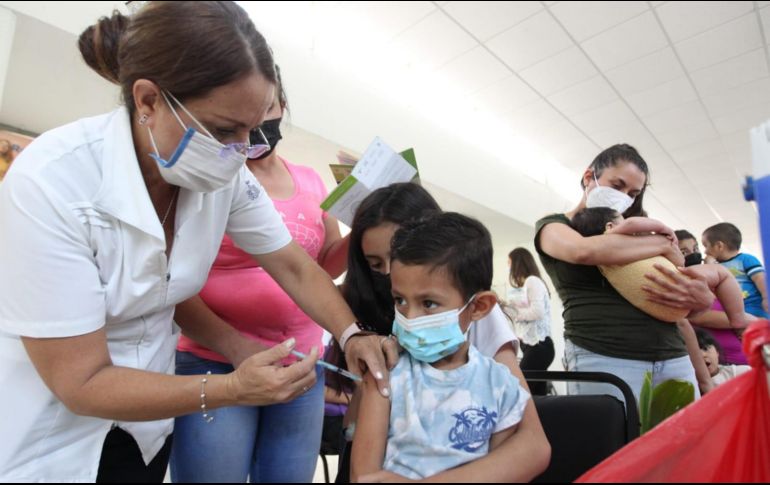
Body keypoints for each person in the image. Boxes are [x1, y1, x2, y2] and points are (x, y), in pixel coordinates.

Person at [0, 3, 391, 481]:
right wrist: (230, 388)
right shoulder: (53, 181)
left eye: (252, 131)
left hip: (146, 427)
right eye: (225, 130)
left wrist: (351, 334)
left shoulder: (219, 177)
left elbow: (293, 264)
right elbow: (80, 382)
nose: (241, 152)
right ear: (147, 101)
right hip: (53, 440)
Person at [169, 65, 350, 482]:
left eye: (266, 107)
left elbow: (317, 266)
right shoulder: (216, 175)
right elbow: (177, 277)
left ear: (281, 107)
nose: (256, 122)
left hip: (302, 361)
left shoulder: (309, 181)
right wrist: (235, 347)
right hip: (217, 359)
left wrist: (364, 236)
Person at [337, 182, 550, 482]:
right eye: (375, 264)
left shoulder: (497, 380)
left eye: (428, 303)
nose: (409, 316)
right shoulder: (386, 373)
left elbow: (528, 449)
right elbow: (364, 472)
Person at [535, 144, 715, 404]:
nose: (624, 197)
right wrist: (663, 243)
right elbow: (582, 251)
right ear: (589, 177)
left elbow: (679, 279)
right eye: (617, 185)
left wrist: (700, 301)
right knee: (614, 442)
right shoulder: (554, 226)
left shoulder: (636, 231)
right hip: (603, 353)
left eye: (633, 193)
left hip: (672, 353)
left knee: (686, 443)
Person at [570, 207, 745, 329]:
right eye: (621, 219)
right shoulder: (614, 235)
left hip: (662, 310)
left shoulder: (601, 263)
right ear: (610, 226)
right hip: (677, 288)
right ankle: (738, 320)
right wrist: (662, 227)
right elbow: (632, 224)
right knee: (722, 274)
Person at [677, 228, 752, 366]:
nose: (694, 254)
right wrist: (756, 321)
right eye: (684, 251)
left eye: (695, 248)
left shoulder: (716, 281)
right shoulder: (680, 285)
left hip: (745, 360)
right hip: (720, 364)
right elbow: (702, 317)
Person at [504, 248, 554, 396]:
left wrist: (515, 315)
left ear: (517, 263)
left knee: (520, 390)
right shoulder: (525, 285)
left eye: (509, 263)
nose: (508, 267)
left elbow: (537, 312)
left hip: (539, 346)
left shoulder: (532, 281)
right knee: (537, 396)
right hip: (531, 347)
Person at [702, 222, 769, 319]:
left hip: (753, 306)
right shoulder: (715, 266)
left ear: (719, 246)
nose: (705, 251)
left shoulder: (746, 259)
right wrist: (708, 265)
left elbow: (760, 278)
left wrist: (766, 297)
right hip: (730, 310)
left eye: (706, 246)